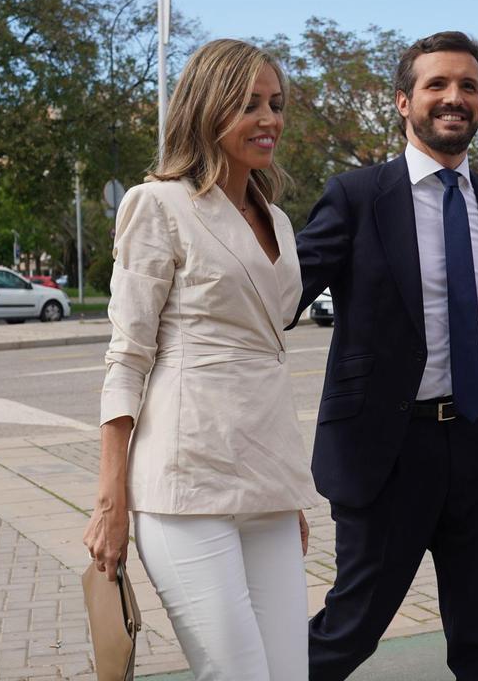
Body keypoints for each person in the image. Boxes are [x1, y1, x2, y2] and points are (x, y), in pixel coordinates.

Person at [292, 31, 478, 680]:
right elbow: (280, 296)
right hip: (388, 451)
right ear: (403, 102)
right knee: (352, 627)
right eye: (438, 85)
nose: (455, 98)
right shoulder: (358, 196)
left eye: (469, 86)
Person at [83, 39, 319, 681]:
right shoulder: (156, 205)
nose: (269, 118)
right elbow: (126, 356)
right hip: (185, 483)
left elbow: (264, 354)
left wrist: (288, 488)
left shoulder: (277, 220)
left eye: (275, 103)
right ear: (206, 109)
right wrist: (111, 500)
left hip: (267, 480)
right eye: (248, 104)